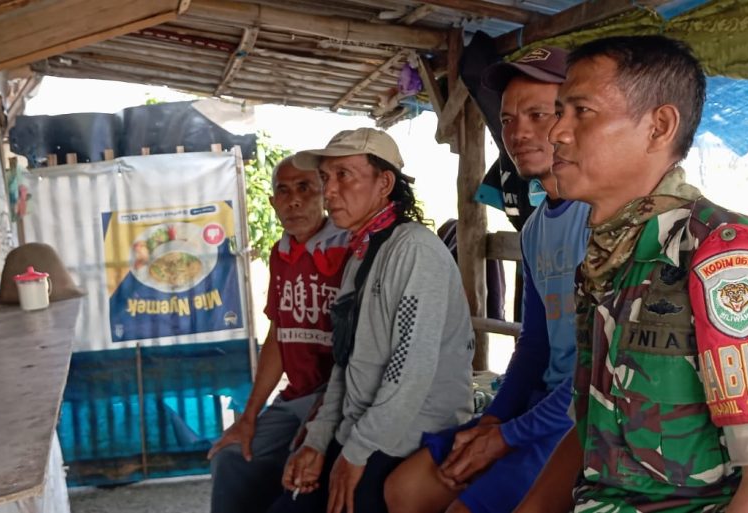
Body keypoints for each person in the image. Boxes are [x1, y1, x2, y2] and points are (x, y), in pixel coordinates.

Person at [516, 36, 748, 513]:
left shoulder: (728, 261)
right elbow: (594, 435)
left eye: (582, 111)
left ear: (659, 127)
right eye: (560, 112)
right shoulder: (611, 258)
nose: (556, 132)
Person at [384, 47, 590, 513]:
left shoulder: (602, 222)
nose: (518, 132)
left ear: (575, 118)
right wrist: (491, 421)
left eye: (538, 114)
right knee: (406, 488)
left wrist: (507, 436)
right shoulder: (537, 227)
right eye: (509, 119)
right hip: (535, 410)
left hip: (577, 421)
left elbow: (595, 378)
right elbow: (535, 345)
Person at [269, 128, 475, 513]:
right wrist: (318, 439)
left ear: (384, 183)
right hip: (366, 432)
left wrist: (356, 452)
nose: (329, 191)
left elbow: (409, 371)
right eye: (327, 178)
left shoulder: (414, 251)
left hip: (411, 436)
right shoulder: (362, 254)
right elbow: (345, 365)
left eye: (344, 175)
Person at [208, 156, 349, 513]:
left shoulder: (349, 248)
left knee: (298, 477)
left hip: (341, 397)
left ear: (324, 195)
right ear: (272, 202)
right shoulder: (282, 253)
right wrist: (249, 416)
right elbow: (279, 333)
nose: (294, 201)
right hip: (297, 395)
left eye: (305, 188)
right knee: (231, 457)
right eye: (283, 192)